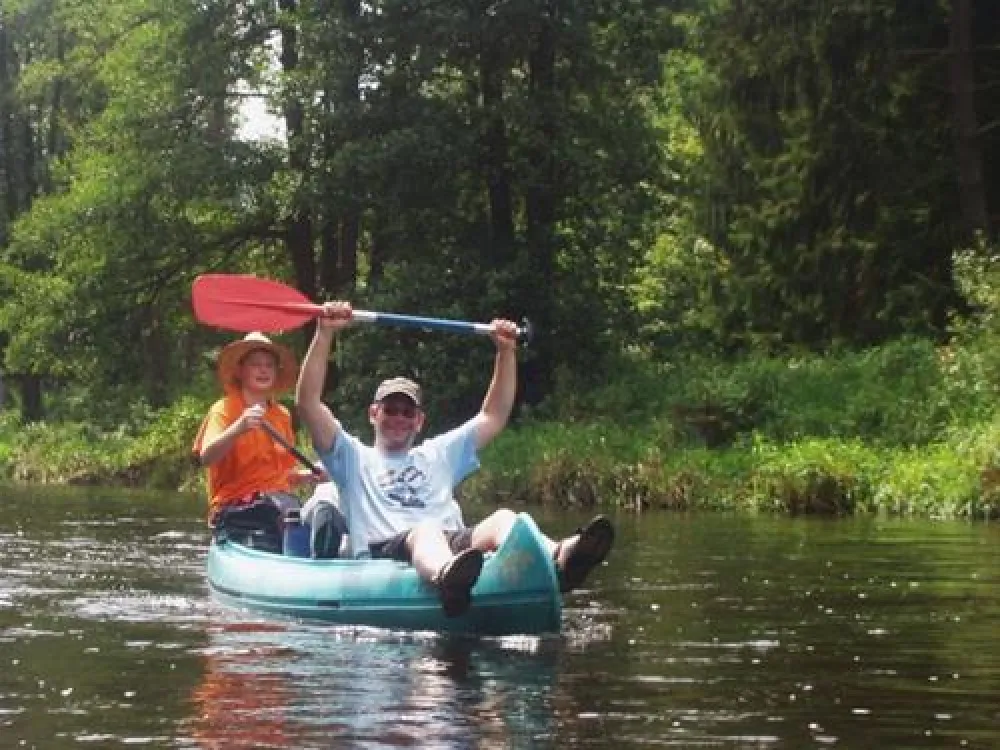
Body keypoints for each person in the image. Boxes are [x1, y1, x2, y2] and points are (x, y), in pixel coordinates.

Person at [295, 302, 615, 617]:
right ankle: (447, 578)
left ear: (419, 421)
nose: (398, 418)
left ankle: (562, 557)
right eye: (390, 410)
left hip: (450, 543)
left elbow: (493, 415)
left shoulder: (437, 454)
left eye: (407, 412)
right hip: (388, 548)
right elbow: (308, 403)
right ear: (373, 414)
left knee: (504, 518)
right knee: (425, 531)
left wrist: (505, 352)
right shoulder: (351, 457)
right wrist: (324, 335)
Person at [192, 331, 344, 556]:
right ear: (241, 371)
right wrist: (239, 427)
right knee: (277, 510)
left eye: (269, 365)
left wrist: (304, 476)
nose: (263, 370)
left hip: (280, 503)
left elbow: (280, 474)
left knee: (308, 505)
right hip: (236, 506)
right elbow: (206, 457)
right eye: (255, 364)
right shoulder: (223, 410)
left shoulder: (281, 414)